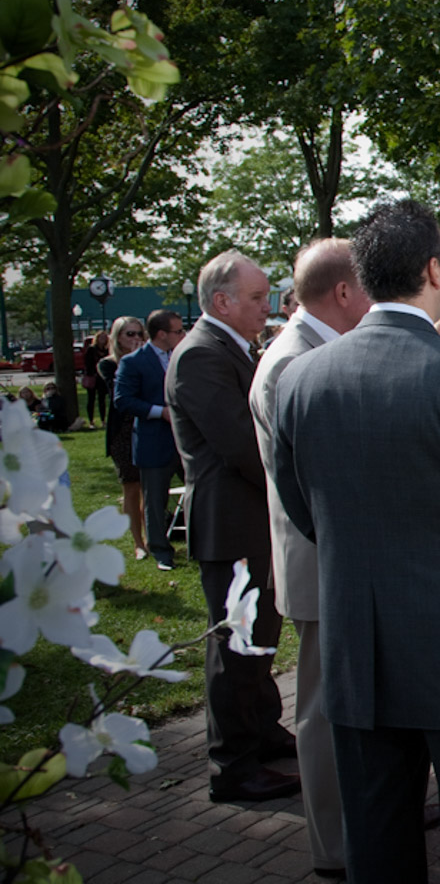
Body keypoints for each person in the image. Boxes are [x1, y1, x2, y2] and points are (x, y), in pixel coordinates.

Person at [270, 199, 440, 883]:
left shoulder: (301, 377)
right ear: (433, 268)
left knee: (376, 839)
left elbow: (304, 508)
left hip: (357, 647)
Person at [249, 239, 370, 879]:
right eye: (371, 285)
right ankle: (336, 847)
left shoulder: (315, 349)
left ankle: (364, 825)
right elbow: (317, 482)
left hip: (337, 561)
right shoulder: (292, 361)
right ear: (345, 292)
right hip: (320, 564)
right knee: (324, 712)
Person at [166, 250, 298, 803]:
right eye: (256, 297)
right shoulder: (200, 356)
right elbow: (244, 446)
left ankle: (261, 733)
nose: (266, 306)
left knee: (260, 641)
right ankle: (233, 765)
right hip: (231, 523)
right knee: (237, 645)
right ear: (221, 301)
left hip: (250, 521)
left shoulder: (230, 349)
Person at [114, 309, 186, 571]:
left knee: (201, 489)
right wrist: (159, 412)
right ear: (161, 334)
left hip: (185, 439)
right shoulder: (133, 362)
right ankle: (160, 551)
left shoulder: (182, 356)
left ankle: (201, 543)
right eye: (178, 331)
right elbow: (123, 400)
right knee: (155, 500)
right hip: (154, 440)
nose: (182, 334)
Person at [98, 317, 148, 560]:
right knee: (131, 488)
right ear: (117, 337)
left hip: (147, 428)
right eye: (129, 334)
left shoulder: (150, 359)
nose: (136, 339)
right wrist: (132, 362)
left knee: (149, 487)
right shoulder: (107, 365)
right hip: (123, 432)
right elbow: (118, 392)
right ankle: (138, 542)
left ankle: (153, 536)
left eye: (139, 333)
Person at [83, 329, 110, 426]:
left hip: (102, 379)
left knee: (102, 400)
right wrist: (93, 372)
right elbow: (87, 363)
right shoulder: (91, 349)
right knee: (91, 399)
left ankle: (103, 420)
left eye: (104, 338)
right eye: (100, 338)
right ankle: (91, 421)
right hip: (93, 378)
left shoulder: (107, 350)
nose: (102, 340)